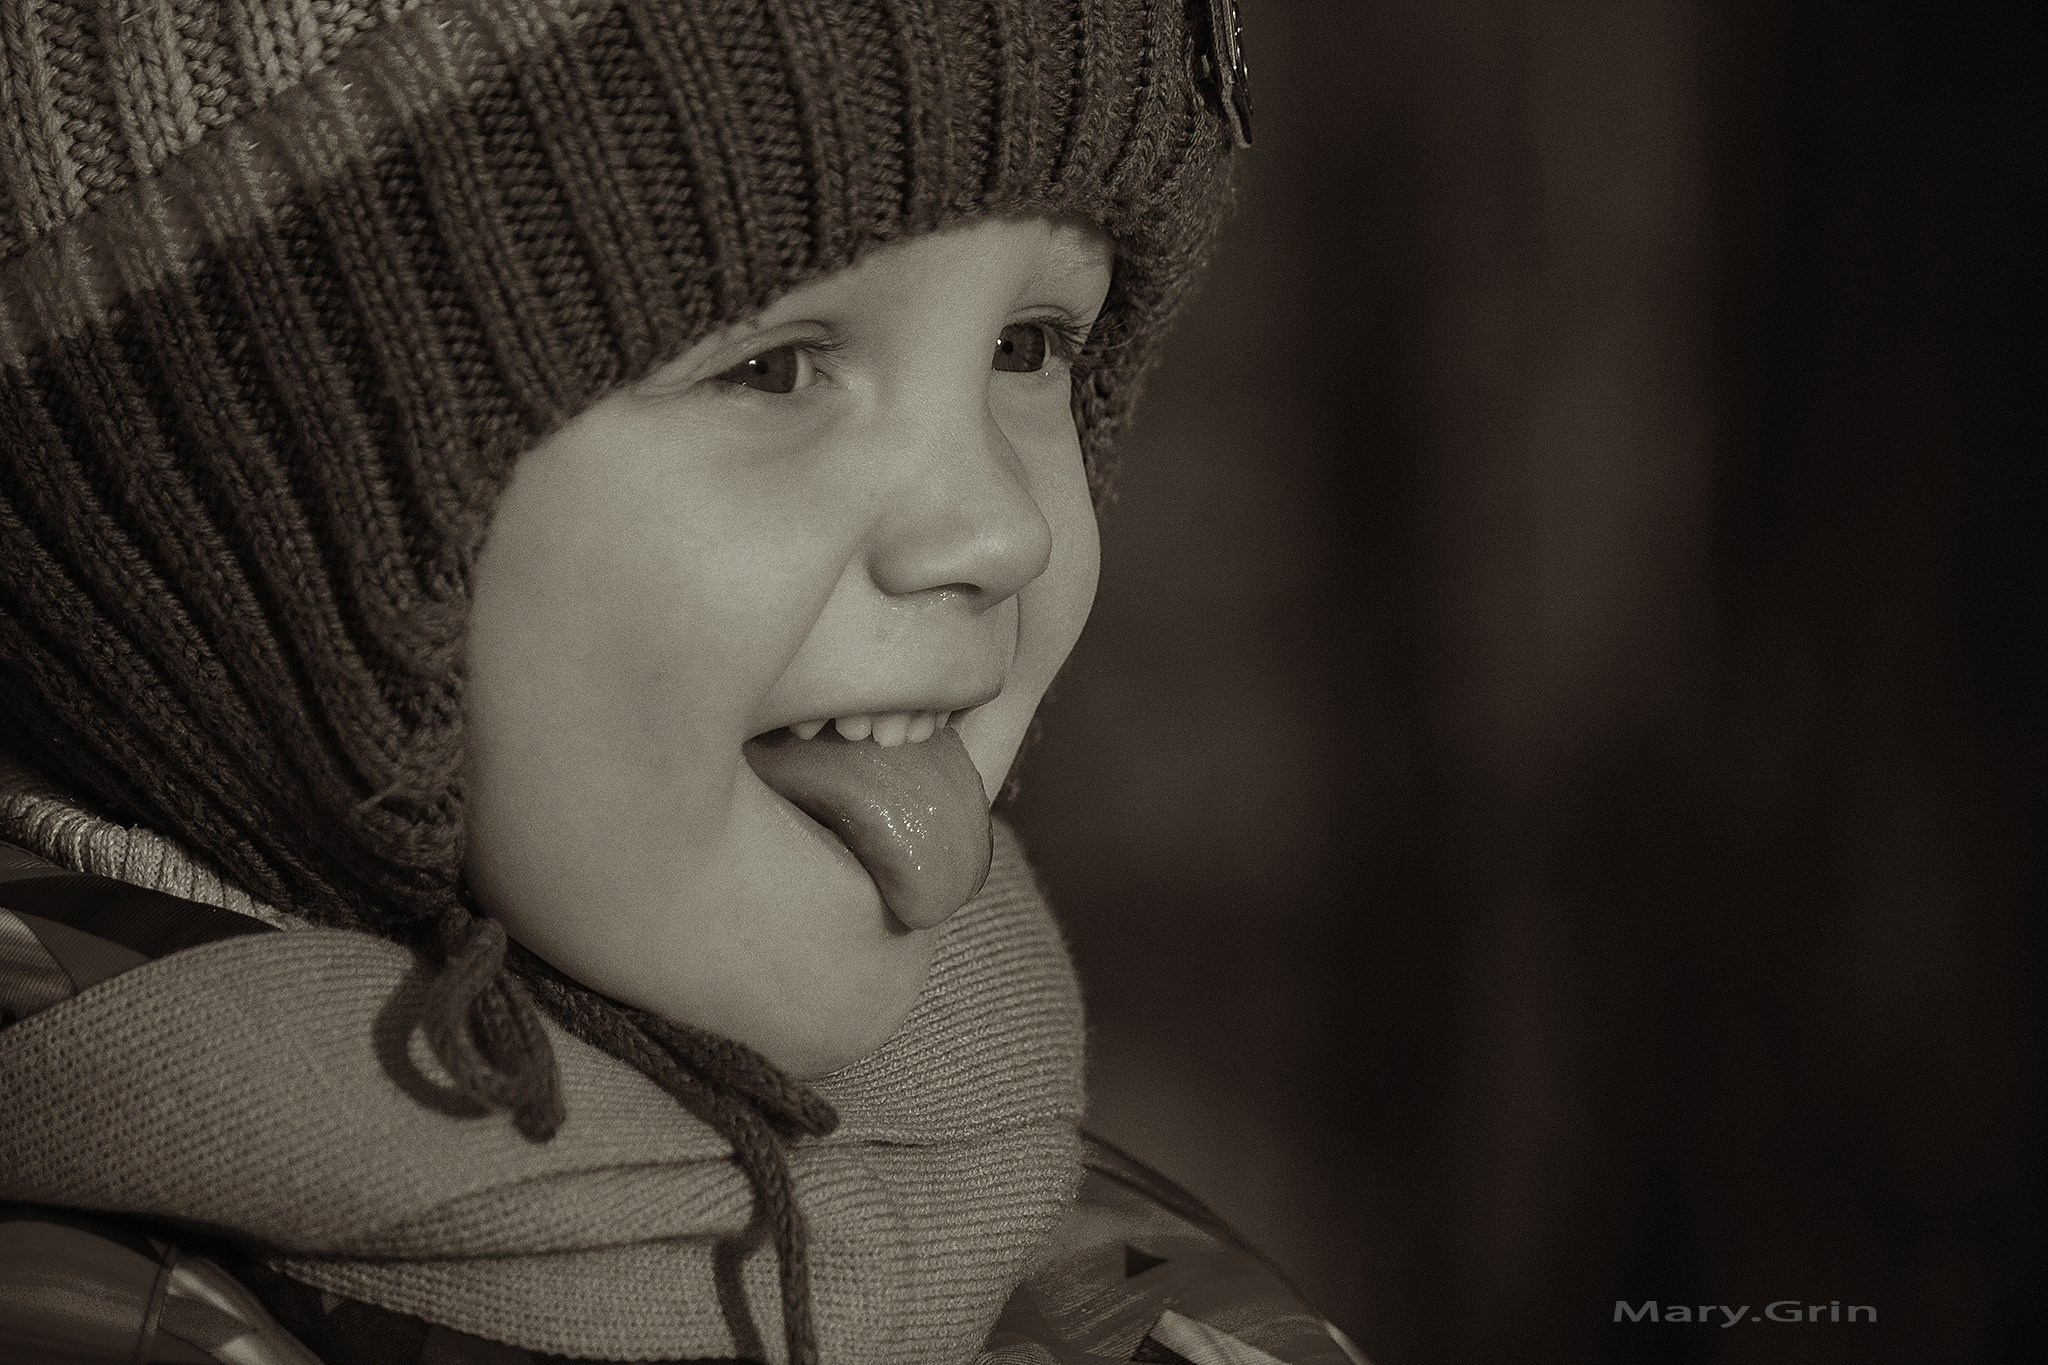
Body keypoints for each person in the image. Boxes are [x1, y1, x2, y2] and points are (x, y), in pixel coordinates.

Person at [0, 2, 1358, 1363]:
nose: (1002, 530)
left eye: (1029, 345)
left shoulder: (1102, 1266)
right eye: (772, 367)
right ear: (259, 504)